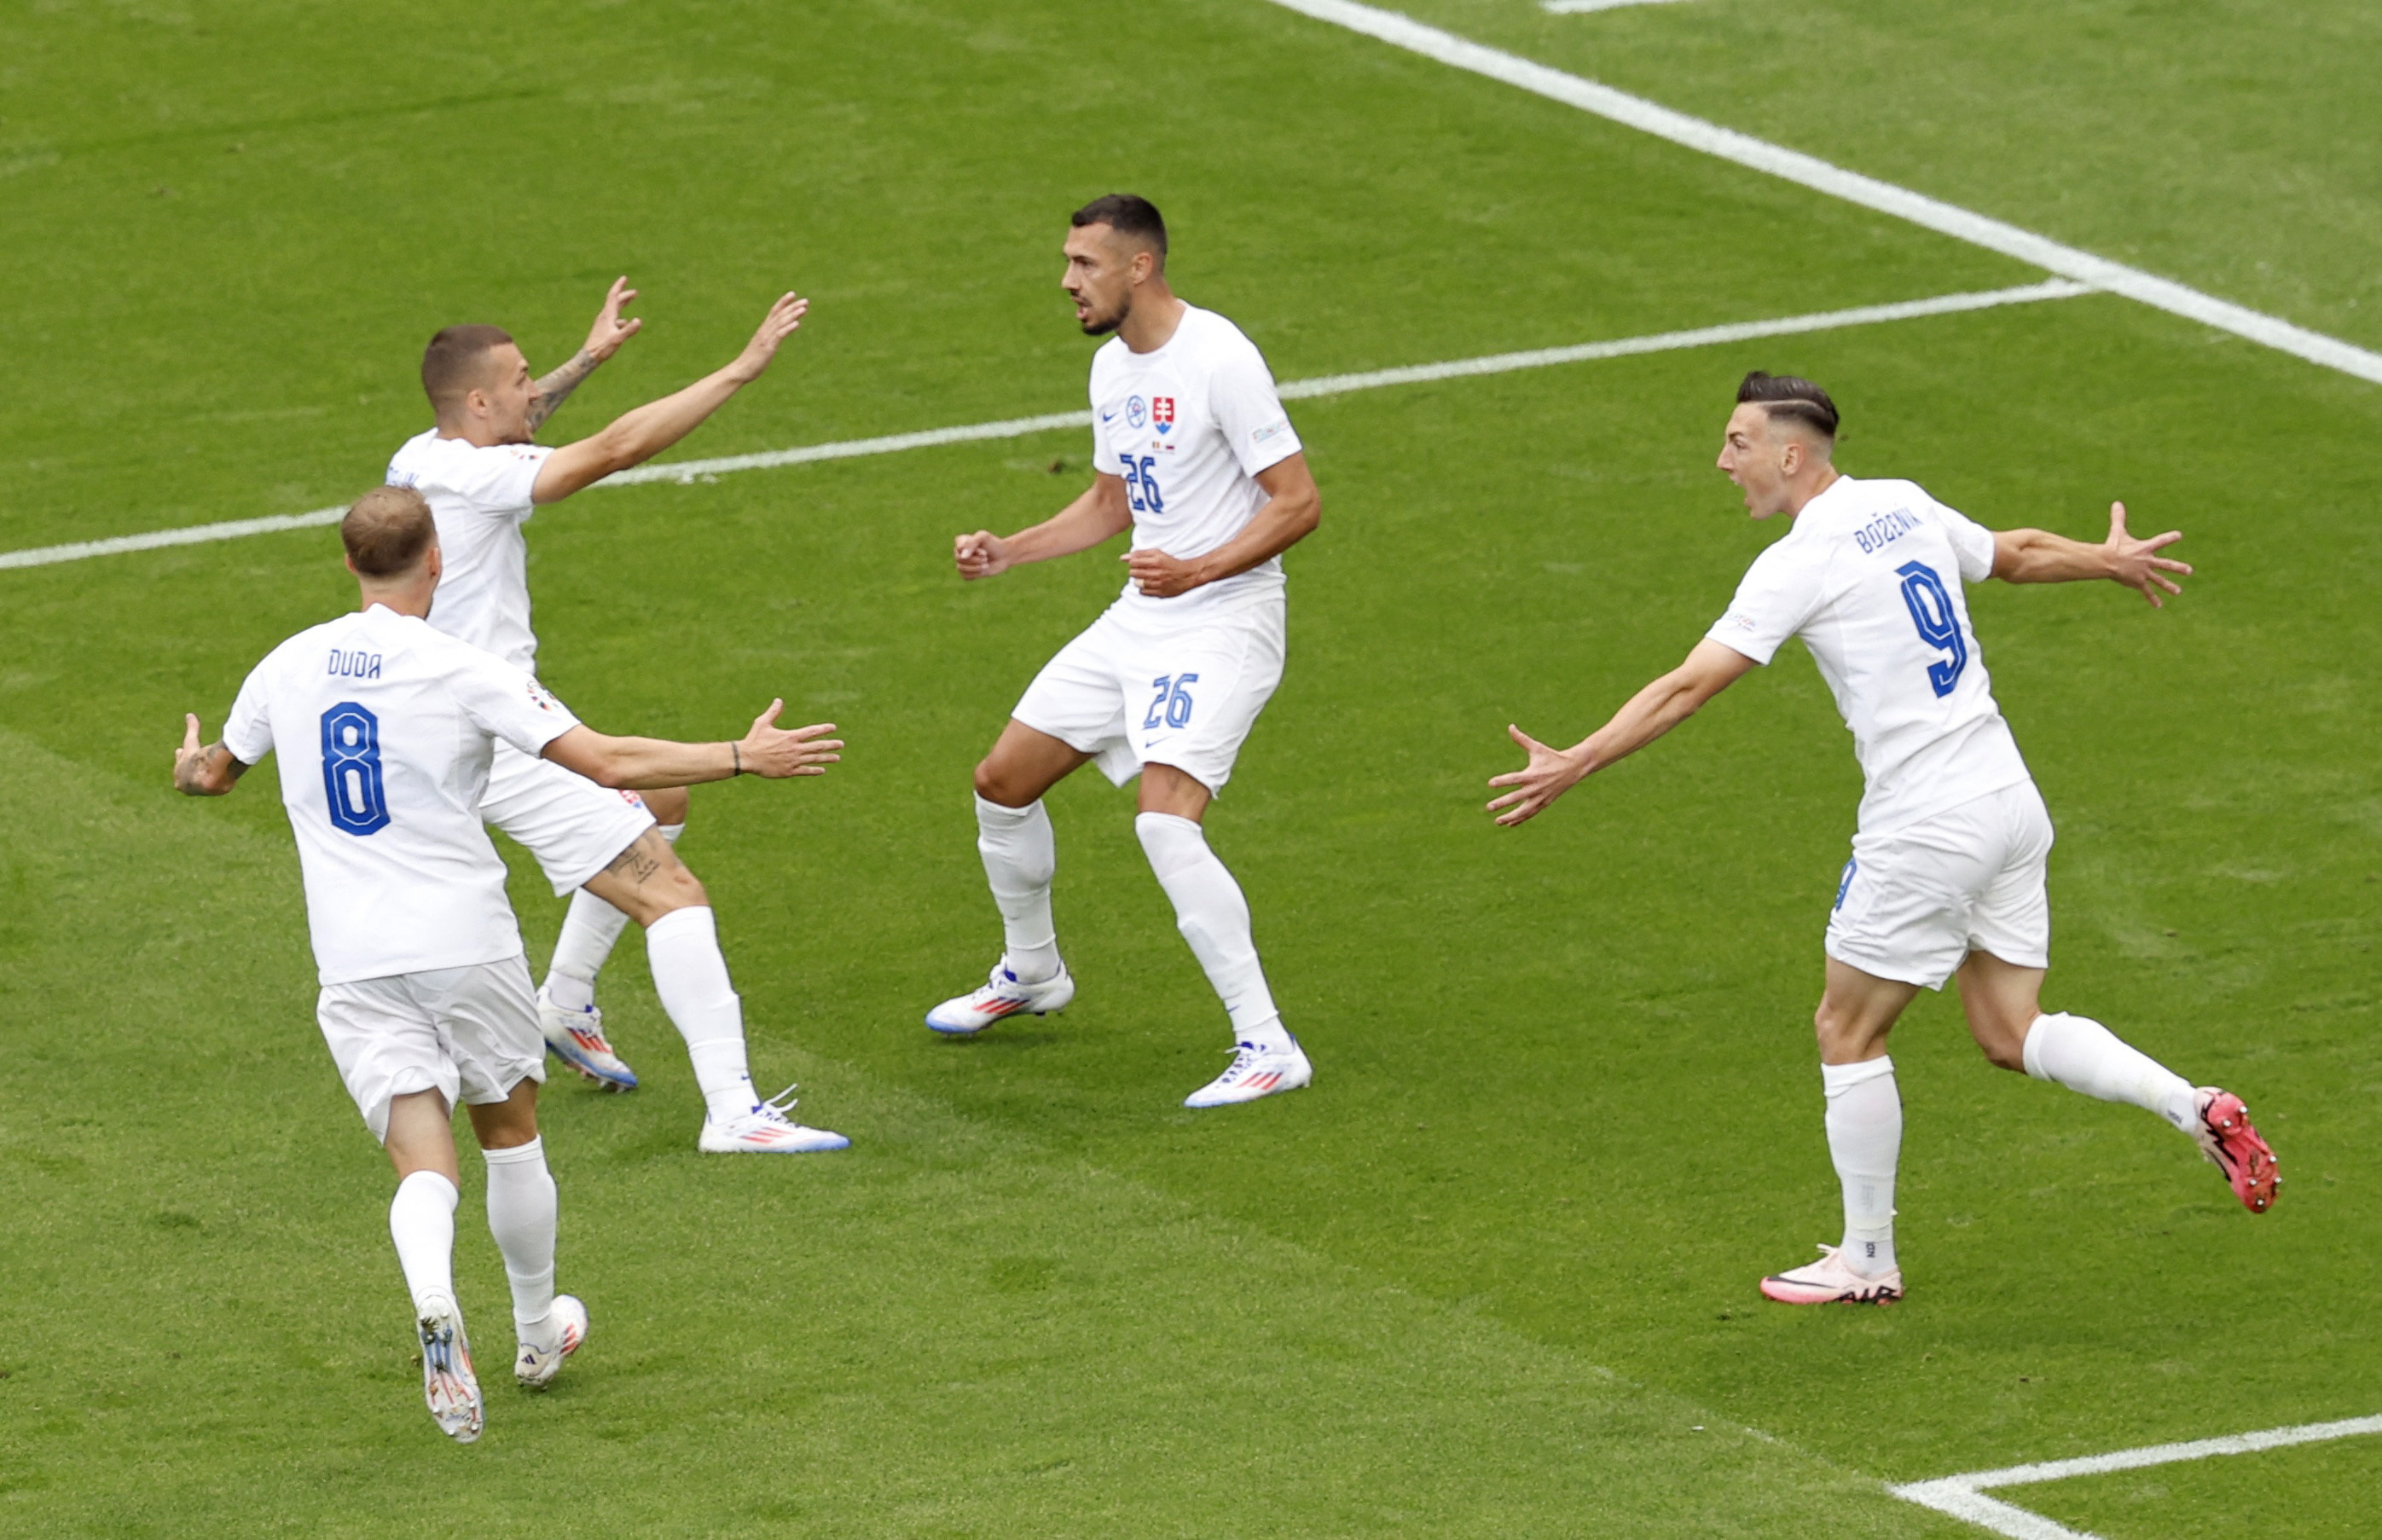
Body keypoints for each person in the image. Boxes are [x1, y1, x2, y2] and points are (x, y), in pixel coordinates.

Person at [1487, 371, 2278, 1305]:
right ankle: (2192, 1106)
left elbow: (1688, 685)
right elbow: (2015, 553)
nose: (1722, 460)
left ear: (1790, 453)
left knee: (1845, 1029)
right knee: (2009, 1030)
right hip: (2008, 802)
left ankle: (1866, 1259)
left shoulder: (1799, 561)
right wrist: (2102, 560)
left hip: (1926, 825)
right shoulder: (1899, 504)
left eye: (1737, 442)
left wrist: (1578, 760)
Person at [172, 488, 841, 1439]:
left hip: (354, 959)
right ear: (436, 561)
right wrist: (741, 754)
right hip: (464, 943)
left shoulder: (284, 666)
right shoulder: (459, 667)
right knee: (510, 1134)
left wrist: (187, 760)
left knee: (420, 1157)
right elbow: (605, 762)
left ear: (348, 563)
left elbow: (211, 775)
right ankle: (534, 1335)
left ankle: (436, 1299)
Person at [387, 281, 844, 1151]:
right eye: (520, 379)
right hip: (494, 732)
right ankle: (734, 1115)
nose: (535, 391)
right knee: (671, 896)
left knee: (665, 805)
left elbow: (522, 419)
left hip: (465, 711)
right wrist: (742, 370)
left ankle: (563, 1003)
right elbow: (617, 448)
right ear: (477, 400)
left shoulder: (421, 454)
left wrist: (588, 359)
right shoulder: (481, 477)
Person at [930, 194, 1323, 1109]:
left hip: (1225, 621)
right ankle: (1032, 974)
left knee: (1163, 820)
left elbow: (1298, 501)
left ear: (1138, 267)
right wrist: (1010, 552)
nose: (1067, 281)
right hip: (1144, 614)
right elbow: (1113, 506)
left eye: (1084, 265)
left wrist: (1200, 569)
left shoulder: (1221, 359)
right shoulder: (1112, 368)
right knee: (1003, 780)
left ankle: (1267, 1044)